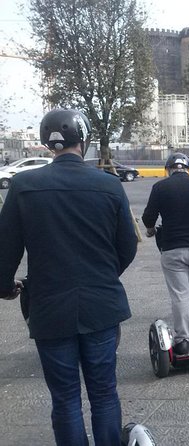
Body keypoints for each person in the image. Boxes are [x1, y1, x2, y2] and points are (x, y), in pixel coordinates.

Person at [0, 108, 137, 445]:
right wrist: (103, 274)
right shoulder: (108, 184)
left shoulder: (23, 185)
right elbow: (127, 245)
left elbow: (6, 248)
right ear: (83, 137)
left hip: (49, 307)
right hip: (101, 304)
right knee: (104, 393)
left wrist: (5, 287)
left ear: (48, 143)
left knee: (65, 398)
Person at [142, 153, 189, 354]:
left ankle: (183, 339)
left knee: (180, 295)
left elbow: (148, 217)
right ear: (188, 168)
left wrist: (151, 229)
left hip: (172, 248)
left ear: (168, 169)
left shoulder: (160, 188)